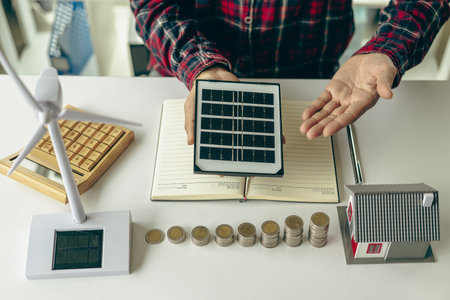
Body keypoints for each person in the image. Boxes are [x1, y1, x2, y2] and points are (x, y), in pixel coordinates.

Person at [131, 1, 449, 143]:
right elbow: (152, 4)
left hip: (316, 89)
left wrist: (386, 46)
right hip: (185, 80)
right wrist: (199, 65)